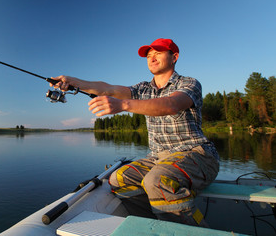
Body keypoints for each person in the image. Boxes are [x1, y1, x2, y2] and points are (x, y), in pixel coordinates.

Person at [50, 38, 219, 226]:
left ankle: (192, 229)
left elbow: (171, 105)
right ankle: (155, 225)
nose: (152, 58)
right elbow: (108, 88)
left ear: (174, 57)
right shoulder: (142, 88)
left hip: (197, 154)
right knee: (118, 179)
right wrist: (72, 81)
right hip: (159, 157)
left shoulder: (189, 83)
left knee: (157, 179)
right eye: (149, 55)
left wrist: (123, 105)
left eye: (158, 53)